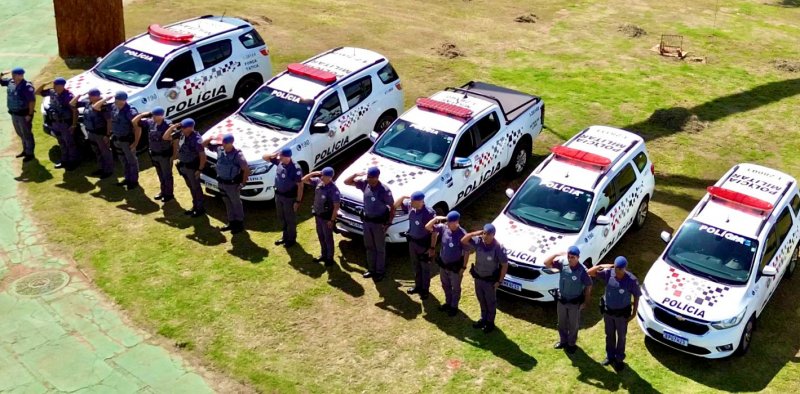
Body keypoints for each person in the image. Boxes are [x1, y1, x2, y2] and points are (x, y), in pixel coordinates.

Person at [587, 256, 641, 372]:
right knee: (609, 335)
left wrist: (634, 313)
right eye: (616, 268)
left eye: (620, 269)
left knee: (621, 337)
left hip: (622, 315)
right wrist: (606, 266)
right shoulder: (608, 274)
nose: (617, 271)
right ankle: (610, 356)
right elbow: (590, 272)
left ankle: (619, 359)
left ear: (625, 268)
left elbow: (636, 296)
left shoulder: (631, 280)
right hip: (608, 313)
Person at [343, 166, 394, 282]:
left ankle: (380, 271)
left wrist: (388, 223)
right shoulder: (365, 184)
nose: (369, 179)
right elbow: (346, 182)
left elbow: (392, 207)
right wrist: (356, 174)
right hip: (367, 222)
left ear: (377, 177)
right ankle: (371, 269)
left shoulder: (384, 191)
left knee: (379, 248)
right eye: (368, 177)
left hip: (378, 224)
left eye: (371, 178)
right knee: (369, 246)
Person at [544, 246, 593, 354]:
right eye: (569, 256)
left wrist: (585, 302)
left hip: (574, 303)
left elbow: (589, 286)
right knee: (561, 323)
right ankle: (563, 341)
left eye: (573, 257)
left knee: (573, 324)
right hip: (562, 300)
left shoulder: (582, 271)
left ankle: (571, 344)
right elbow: (546, 263)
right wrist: (557, 253)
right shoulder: (563, 264)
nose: (570, 259)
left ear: (578, 257)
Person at [461, 223, 508, 333]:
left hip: (490, 281)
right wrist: (475, 233)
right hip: (478, 278)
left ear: (493, 235)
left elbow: (504, 265)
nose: (485, 237)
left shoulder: (498, 248)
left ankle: (490, 323)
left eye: (488, 235)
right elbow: (463, 240)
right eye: (484, 234)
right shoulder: (479, 242)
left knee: (490, 302)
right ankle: (483, 319)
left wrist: (499, 281)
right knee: (481, 299)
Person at [94, 91, 140, 190]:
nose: (119, 102)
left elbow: (137, 128)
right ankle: (127, 178)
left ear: (125, 100)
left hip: (127, 140)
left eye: (121, 100)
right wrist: (106, 99)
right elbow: (96, 107)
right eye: (117, 100)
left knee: (131, 161)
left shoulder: (130, 111)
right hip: (117, 139)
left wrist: (135, 143)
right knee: (123, 160)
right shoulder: (113, 107)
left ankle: (133, 181)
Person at [204, 133, 249, 233]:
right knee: (227, 203)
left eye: (224, 143)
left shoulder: (238, 155)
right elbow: (202, 145)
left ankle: (239, 224)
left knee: (236, 203)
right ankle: (231, 222)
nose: (222, 145)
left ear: (230, 143)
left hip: (232, 184)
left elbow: (246, 169)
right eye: (222, 142)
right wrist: (210, 138)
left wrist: (243, 183)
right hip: (222, 182)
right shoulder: (220, 149)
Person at [394, 191, 435, 299]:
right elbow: (395, 205)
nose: (410, 202)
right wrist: (402, 195)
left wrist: (432, 248)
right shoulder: (411, 208)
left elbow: (434, 232)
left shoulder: (428, 213)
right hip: (412, 242)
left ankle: (425, 290)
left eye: (413, 201)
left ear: (420, 202)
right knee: (415, 265)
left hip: (423, 244)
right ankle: (418, 286)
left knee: (425, 268)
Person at [426, 211, 468, 316]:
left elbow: (467, 252)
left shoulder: (463, 234)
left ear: (457, 222)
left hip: (455, 267)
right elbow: (427, 227)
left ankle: (454, 306)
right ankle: (448, 302)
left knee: (455, 287)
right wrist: (436, 219)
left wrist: (463, 267)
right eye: (448, 222)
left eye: (450, 222)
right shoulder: (444, 228)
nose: (448, 224)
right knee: (445, 285)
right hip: (443, 265)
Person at [165, 118, 206, 217]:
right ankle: (195, 206)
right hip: (183, 166)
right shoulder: (181, 134)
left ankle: (200, 209)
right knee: (191, 187)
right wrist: (174, 127)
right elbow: (166, 137)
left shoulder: (196, 139)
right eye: (181, 127)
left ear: (190, 128)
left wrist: (200, 169)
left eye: (183, 127)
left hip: (192, 168)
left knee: (196, 188)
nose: (181, 129)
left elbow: (203, 156)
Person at [263, 148, 303, 247]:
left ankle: (291, 239)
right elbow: (264, 157)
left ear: (287, 157)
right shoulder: (280, 162)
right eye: (279, 156)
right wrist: (273, 154)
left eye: (281, 156)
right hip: (279, 195)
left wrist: (298, 201)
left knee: (290, 219)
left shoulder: (295, 169)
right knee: (281, 217)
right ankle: (285, 237)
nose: (279, 157)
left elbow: (300, 186)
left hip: (289, 198)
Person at [133, 107, 175, 201]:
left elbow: (174, 140)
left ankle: (169, 194)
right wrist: (142, 114)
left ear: (161, 116)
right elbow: (134, 122)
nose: (154, 117)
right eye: (153, 115)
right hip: (154, 154)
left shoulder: (168, 125)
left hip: (164, 154)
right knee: (160, 174)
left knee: (167, 175)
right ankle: (163, 191)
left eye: (155, 116)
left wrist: (174, 155)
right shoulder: (150, 122)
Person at [37, 77, 78, 169]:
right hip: (55, 123)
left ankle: (72, 161)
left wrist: (74, 125)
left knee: (69, 143)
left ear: (61, 86)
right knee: (61, 142)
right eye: (54, 84)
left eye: (55, 85)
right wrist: (43, 84)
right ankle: (64, 160)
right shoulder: (52, 92)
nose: (54, 86)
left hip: (65, 123)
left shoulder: (68, 96)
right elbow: (37, 92)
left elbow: (75, 111)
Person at [71, 88, 113, 178]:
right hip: (91, 132)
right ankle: (102, 168)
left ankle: (108, 170)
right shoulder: (87, 103)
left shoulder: (104, 106)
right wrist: (79, 95)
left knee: (105, 152)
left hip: (101, 133)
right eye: (89, 95)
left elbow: (109, 121)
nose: (89, 97)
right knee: (97, 151)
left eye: (91, 96)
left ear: (97, 96)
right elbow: (72, 104)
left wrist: (107, 135)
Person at [303, 167, 340, 266]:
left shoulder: (334, 189)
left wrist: (332, 220)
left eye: (324, 176)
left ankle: (329, 258)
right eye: (322, 175)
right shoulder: (318, 182)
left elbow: (336, 207)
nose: (322, 177)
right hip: (318, 215)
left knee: (328, 238)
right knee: (321, 236)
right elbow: (303, 180)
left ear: (330, 177)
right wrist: (313, 173)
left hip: (327, 218)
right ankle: (323, 255)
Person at [1, 67, 36, 161]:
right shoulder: (10, 82)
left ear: (20, 76)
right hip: (14, 114)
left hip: (24, 115)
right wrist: (1, 74)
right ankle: (25, 150)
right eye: (12, 74)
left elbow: (32, 101)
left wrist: (30, 114)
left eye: (14, 74)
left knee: (27, 134)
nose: (12, 76)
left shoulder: (26, 86)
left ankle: (30, 153)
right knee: (20, 133)